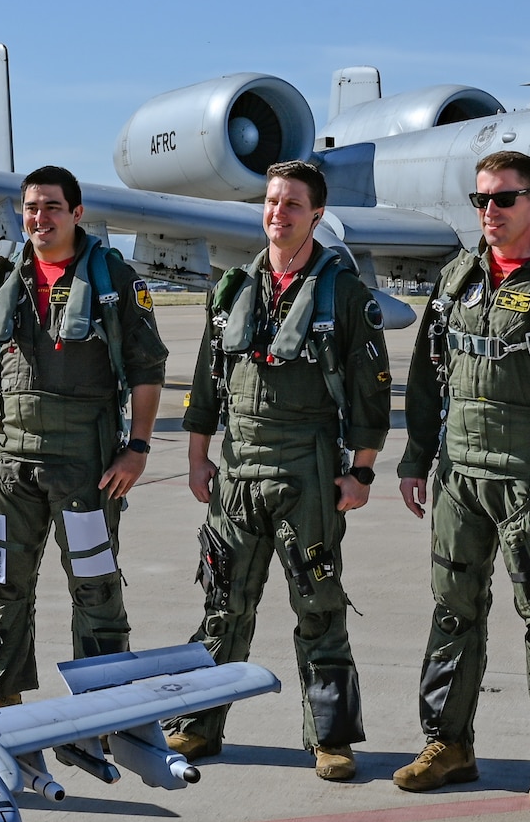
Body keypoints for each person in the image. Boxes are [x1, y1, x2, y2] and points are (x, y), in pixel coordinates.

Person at [166, 161, 391, 781]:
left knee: (318, 607)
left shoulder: (343, 293)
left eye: (292, 204)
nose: (278, 213)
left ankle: (330, 739)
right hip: (235, 472)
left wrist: (362, 471)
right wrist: (196, 456)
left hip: (307, 470)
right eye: (271, 202)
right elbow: (207, 377)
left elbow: (373, 392)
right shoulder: (233, 287)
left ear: (316, 215)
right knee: (222, 605)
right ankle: (196, 726)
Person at [392, 152, 530, 809]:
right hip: (460, 477)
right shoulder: (457, 276)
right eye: (480, 199)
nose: (490, 211)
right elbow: (429, 377)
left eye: (504, 198)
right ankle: (448, 744)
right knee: (453, 611)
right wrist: (415, 457)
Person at [0, 166, 168, 711]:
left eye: (52, 207)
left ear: (77, 213)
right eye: (31, 207)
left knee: (95, 587)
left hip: (86, 463)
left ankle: (103, 703)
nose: (39, 217)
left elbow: (149, 369)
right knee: (1, 583)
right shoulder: (3, 280)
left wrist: (138, 447)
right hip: (9, 464)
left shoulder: (115, 283)